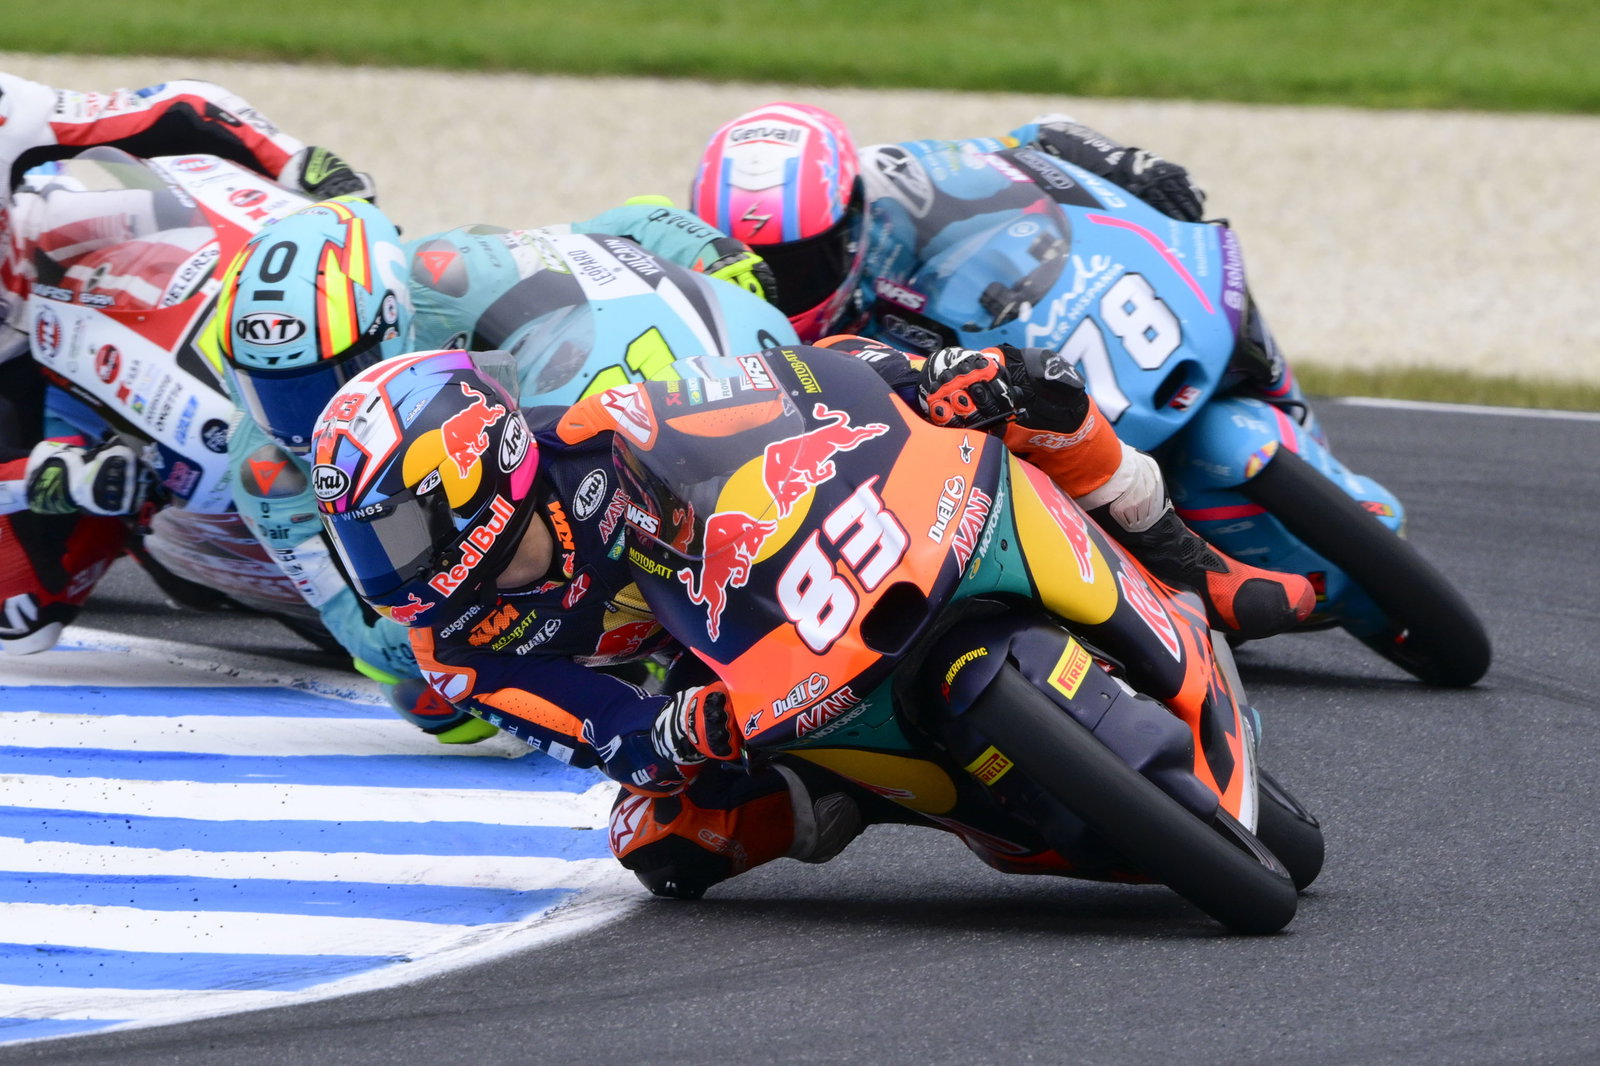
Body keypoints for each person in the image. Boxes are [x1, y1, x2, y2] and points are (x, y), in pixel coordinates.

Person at [308, 338, 1310, 900]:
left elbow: (773, 386)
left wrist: (911, 379)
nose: (385, 568)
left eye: (396, 532)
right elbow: (595, 727)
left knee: (1026, 384)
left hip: (785, 571)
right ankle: (860, 796)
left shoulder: (593, 431)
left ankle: (1181, 562)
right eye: (367, 543)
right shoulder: (457, 646)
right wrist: (665, 734)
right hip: (723, 689)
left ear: (473, 473)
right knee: (660, 842)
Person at [690, 102, 1316, 640]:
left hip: (973, 344)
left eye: (802, 260)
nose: (787, 284)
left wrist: (1128, 165)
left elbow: (1032, 141)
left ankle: (1190, 548)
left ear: (848, 215)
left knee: (1033, 381)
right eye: (765, 269)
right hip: (865, 440)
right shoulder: (705, 285)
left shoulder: (901, 180)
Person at [212, 194, 787, 741]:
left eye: (325, 378)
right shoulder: (265, 471)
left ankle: (693, 546)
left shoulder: (451, 271)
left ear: (394, 319)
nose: (301, 418)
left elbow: (621, 223)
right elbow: (360, 631)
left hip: (554, 424)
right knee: (433, 701)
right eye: (265, 389)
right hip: (429, 541)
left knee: (599, 415)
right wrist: (477, 608)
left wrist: (713, 252)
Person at [0, 70, 372, 654]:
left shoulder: (4, 108)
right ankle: (145, 509)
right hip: (12, 394)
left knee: (292, 249)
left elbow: (179, 109)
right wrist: (47, 480)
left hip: (51, 252)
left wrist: (298, 164)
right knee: (19, 617)